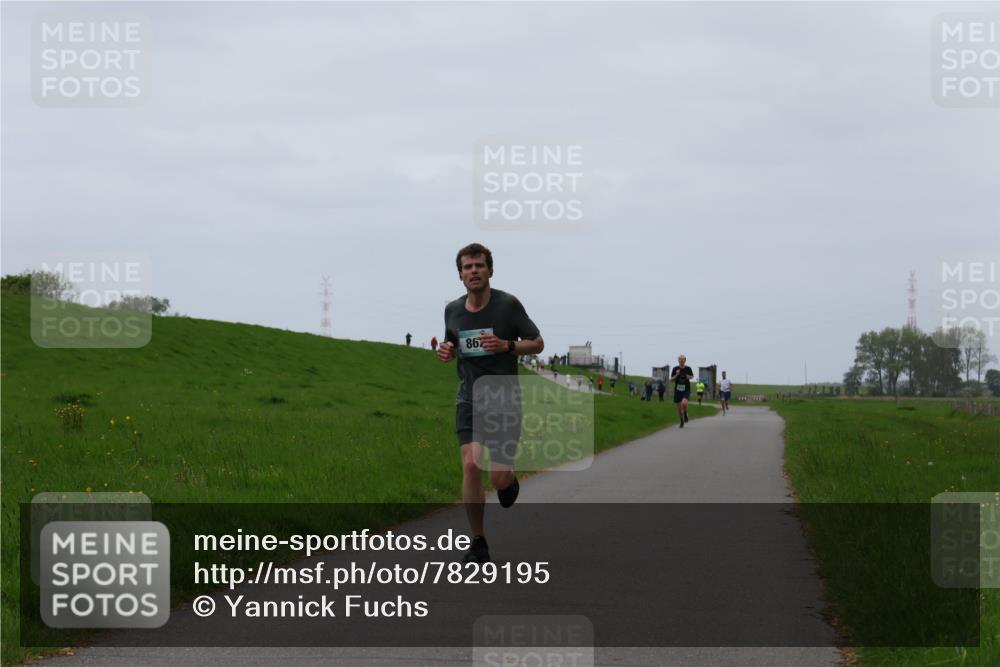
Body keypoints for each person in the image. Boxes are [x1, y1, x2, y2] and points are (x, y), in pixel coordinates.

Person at [438, 243, 543, 564]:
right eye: (468, 267)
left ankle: (508, 482)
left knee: (497, 478)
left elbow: (537, 343)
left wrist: (507, 345)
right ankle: (478, 541)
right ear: (460, 274)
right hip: (469, 397)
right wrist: (446, 351)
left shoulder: (508, 305)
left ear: (490, 270)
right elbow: (452, 341)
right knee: (471, 464)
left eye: (479, 266)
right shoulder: (452, 310)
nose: (474, 271)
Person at [671, 355, 694, 428]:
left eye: (682, 360)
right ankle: (681, 421)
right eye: (680, 360)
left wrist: (688, 376)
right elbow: (671, 380)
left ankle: (685, 414)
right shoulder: (675, 368)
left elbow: (692, 376)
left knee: (684, 402)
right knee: (679, 407)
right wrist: (677, 374)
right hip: (678, 390)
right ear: (678, 360)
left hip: (686, 389)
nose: (681, 361)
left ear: (685, 360)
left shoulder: (688, 368)